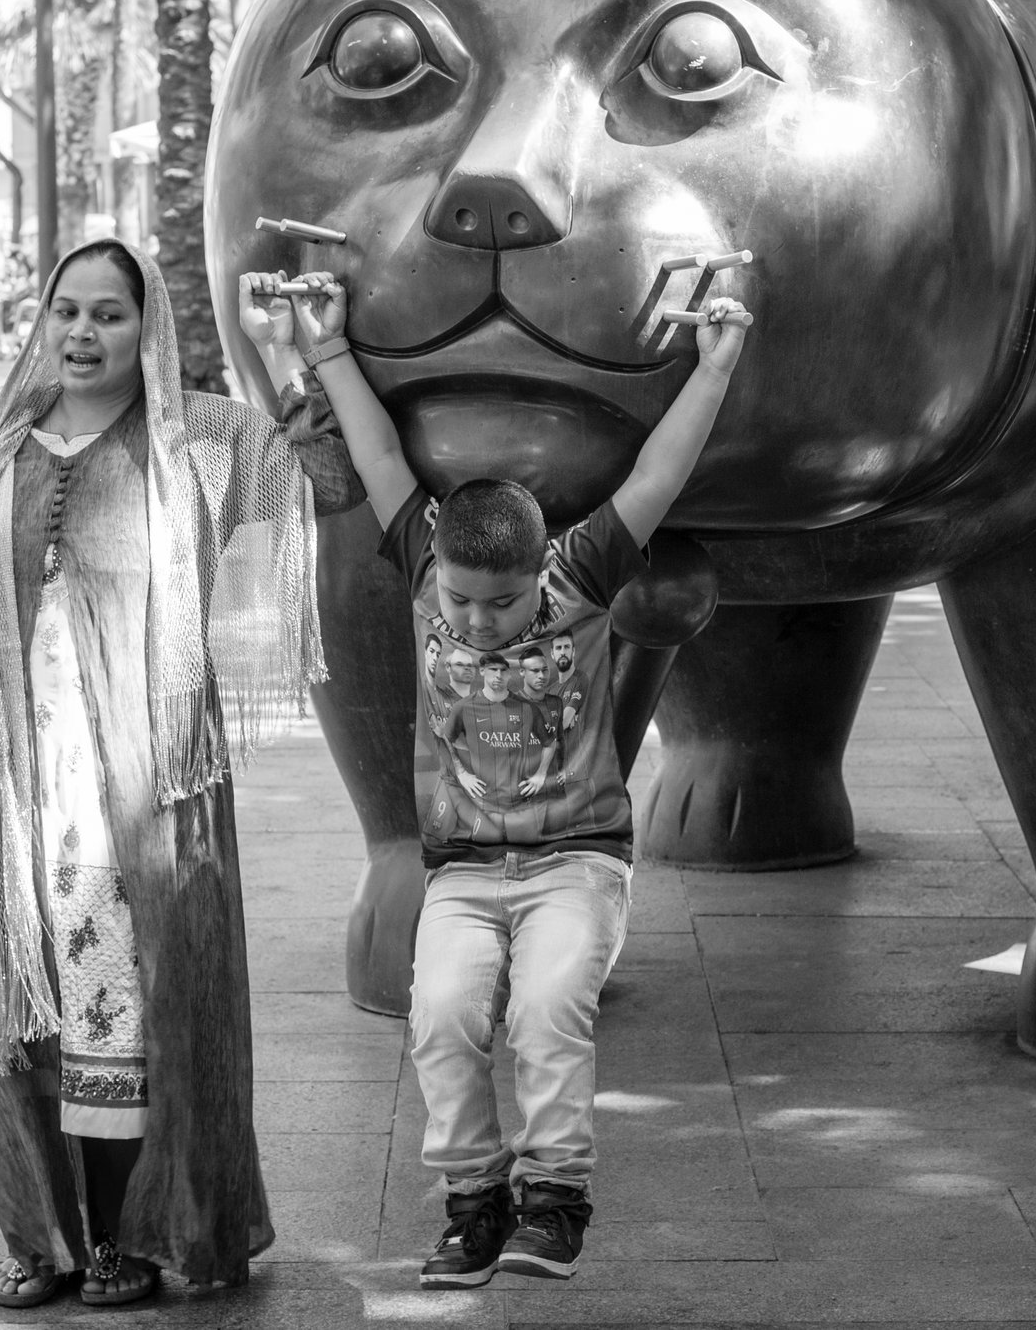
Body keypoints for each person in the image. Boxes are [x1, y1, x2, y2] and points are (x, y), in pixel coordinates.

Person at [0, 241, 362, 1309]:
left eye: (109, 315)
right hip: (3, 783)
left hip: (141, 783)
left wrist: (296, 359)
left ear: (149, 328)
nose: (82, 333)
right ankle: (43, 1234)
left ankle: (137, 1234)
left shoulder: (201, 436)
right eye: (65, 310)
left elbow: (325, 481)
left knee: (132, 1007)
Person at [271, 266, 753, 1289]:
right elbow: (374, 446)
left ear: (538, 571)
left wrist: (712, 367)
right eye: (463, 600)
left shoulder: (580, 575)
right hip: (462, 869)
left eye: (500, 602)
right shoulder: (421, 561)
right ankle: (473, 1204)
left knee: (543, 1010)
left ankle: (555, 1201)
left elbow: (659, 474)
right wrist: (323, 346)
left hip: (576, 859)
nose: (479, 620)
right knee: (440, 1014)